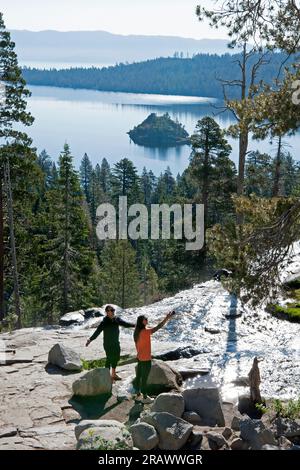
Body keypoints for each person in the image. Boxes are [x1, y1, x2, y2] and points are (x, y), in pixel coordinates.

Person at [133, 311, 174, 404]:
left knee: (139, 376)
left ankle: (138, 395)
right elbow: (158, 327)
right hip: (146, 359)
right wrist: (166, 318)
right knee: (144, 378)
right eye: (145, 319)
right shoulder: (145, 332)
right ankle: (145, 397)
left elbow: (138, 345)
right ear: (141, 321)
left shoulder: (136, 332)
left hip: (139, 357)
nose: (147, 320)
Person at [86, 305, 135, 382]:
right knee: (109, 358)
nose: (111, 312)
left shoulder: (117, 319)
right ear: (106, 312)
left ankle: (113, 374)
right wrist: (90, 339)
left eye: (112, 310)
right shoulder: (104, 322)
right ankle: (107, 376)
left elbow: (126, 324)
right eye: (109, 310)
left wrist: (135, 325)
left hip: (116, 343)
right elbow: (97, 331)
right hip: (107, 344)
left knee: (116, 357)